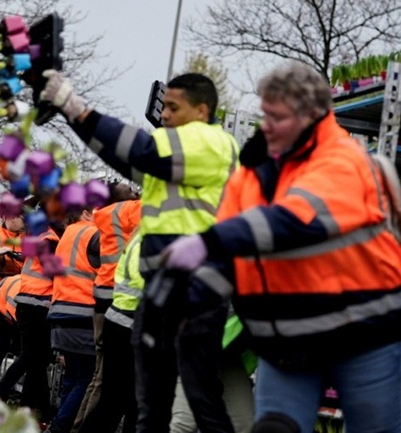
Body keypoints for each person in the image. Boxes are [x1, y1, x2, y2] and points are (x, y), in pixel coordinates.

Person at [162, 61, 401, 433]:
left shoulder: (345, 160)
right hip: (287, 341)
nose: (267, 126)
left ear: (312, 116)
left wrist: (209, 241)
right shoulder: (250, 176)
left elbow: (299, 217)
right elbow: (228, 254)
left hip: (363, 336)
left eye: (278, 117)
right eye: (265, 115)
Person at [40, 70, 242, 433]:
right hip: (161, 296)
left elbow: (141, 152)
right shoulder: (184, 158)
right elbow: (127, 157)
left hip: (190, 296)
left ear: (201, 111)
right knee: (151, 408)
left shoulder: (210, 142)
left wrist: (75, 108)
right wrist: (72, 114)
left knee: (193, 402)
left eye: (174, 108)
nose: (163, 115)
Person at [70, 181, 140, 433]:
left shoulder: (107, 216)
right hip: (119, 300)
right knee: (107, 381)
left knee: (102, 377)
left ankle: (79, 427)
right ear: (118, 198)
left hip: (103, 298)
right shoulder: (128, 210)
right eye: (128, 189)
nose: (134, 191)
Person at [46, 207, 101, 433]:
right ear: (86, 213)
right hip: (83, 313)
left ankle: (59, 423)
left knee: (73, 377)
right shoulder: (92, 233)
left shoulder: (68, 234)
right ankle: (59, 428)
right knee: (87, 379)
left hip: (61, 312)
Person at [14, 219, 64, 424]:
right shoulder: (50, 240)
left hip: (28, 303)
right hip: (38, 305)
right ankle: (40, 409)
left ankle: (28, 408)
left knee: (36, 361)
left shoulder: (39, 236)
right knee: (35, 359)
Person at [0, 274, 24, 402]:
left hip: (16, 317)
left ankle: (2, 389)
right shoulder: (17, 285)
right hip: (2, 313)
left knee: (24, 355)